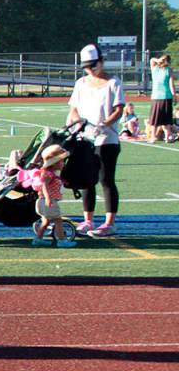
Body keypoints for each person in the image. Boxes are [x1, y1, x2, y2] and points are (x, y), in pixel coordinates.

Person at [67, 44, 125, 238]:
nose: (90, 70)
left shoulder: (113, 82)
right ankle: (88, 220)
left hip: (106, 139)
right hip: (85, 138)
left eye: (93, 65)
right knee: (86, 180)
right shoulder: (81, 83)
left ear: (101, 61)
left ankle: (110, 223)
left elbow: (118, 109)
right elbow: (73, 108)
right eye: (86, 66)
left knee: (106, 179)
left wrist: (103, 124)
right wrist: (77, 123)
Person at [32, 145, 76, 248]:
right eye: (61, 161)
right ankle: (62, 240)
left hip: (42, 202)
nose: (63, 163)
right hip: (48, 201)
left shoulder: (50, 173)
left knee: (46, 221)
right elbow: (44, 185)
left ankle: (38, 239)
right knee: (58, 220)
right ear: (55, 163)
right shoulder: (48, 174)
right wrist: (48, 198)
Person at [148, 55, 175, 143]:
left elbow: (152, 60)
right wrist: (174, 95)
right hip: (166, 97)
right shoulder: (168, 70)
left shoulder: (154, 68)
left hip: (156, 97)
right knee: (166, 119)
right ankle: (168, 137)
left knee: (155, 119)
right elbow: (171, 85)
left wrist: (158, 60)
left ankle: (153, 137)